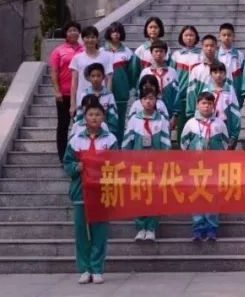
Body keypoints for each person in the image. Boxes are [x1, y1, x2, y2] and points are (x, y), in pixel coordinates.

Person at [64, 94, 118, 285]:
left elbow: (117, 164)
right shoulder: (76, 140)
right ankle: (84, 269)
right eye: (91, 114)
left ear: (103, 118)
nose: (94, 118)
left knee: (99, 231)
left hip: (102, 191)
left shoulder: (110, 140)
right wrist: (75, 168)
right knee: (81, 231)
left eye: (97, 115)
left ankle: (97, 268)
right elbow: (67, 163)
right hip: (80, 191)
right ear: (84, 118)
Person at [121, 85, 171, 242]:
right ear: (140, 101)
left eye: (151, 98)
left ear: (156, 100)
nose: (149, 101)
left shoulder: (161, 120)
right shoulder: (134, 120)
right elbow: (127, 141)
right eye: (145, 98)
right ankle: (140, 227)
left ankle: (151, 228)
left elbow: (165, 143)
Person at [180, 92, 230, 242]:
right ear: (197, 105)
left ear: (213, 106)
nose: (206, 106)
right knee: (197, 195)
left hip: (213, 167)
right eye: (203, 103)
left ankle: (211, 228)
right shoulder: (191, 124)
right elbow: (183, 143)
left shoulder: (219, 124)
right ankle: (197, 227)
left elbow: (225, 143)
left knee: (212, 196)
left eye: (209, 103)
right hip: (196, 167)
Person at [48, 20, 83, 161]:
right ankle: (63, 156)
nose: (73, 33)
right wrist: (57, 91)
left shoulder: (84, 49)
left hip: (81, 95)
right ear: (65, 34)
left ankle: (78, 154)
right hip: (64, 94)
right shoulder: (58, 51)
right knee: (63, 125)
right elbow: (54, 71)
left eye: (75, 30)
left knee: (80, 125)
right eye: (70, 30)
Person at [102, 21, 134, 140]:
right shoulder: (101, 51)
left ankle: (119, 146)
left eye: (118, 32)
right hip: (104, 92)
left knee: (120, 121)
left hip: (121, 93)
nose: (116, 34)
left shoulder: (128, 52)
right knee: (105, 120)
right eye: (113, 32)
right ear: (109, 33)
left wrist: (128, 88)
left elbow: (132, 74)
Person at [69, 27, 111, 116]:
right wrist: (72, 104)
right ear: (83, 39)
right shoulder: (77, 58)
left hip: (101, 99)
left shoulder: (106, 56)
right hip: (82, 99)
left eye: (93, 37)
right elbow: (74, 82)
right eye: (87, 37)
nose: (90, 40)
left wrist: (108, 97)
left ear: (97, 38)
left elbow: (109, 78)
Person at [170, 25, 203, 137]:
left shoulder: (201, 55)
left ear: (196, 37)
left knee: (197, 127)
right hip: (181, 96)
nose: (189, 38)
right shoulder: (176, 55)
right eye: (186, 35)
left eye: (191, 35)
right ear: (182, 37)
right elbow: (172, 75)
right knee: (182, 127)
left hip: (197, 97)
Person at [71, 63, 119, 136]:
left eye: (98, 76)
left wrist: (110, 132)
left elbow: (113, 116)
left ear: (103, 77)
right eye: (93, 76)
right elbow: (80, 114)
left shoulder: (109, 95)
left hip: (104, 131)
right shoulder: (84, 94)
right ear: (89, 78)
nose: (95, 79)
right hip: (86, 131)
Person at [133, 41, 177, 122]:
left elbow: (176, 94)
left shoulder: (172, 72)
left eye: (161, 51)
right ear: (151, 53)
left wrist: (175, 115)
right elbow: (140, 93)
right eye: (156, 51)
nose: (159, 54)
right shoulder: (146, 72)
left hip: (168, 111)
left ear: (166, 53)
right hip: (148, 111)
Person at [205, 62, 241, 149]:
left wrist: (234, 135)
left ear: (225, 74)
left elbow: (235, 113)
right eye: (215, 72)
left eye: (221, 72)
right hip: (210, 129)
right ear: (211, 74)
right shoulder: (206, 90)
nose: (218, 75)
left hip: (227, 127)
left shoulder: (230, 90)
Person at [186, 33, 222, 115]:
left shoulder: (223, 68)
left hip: (219, 112)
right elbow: (191, 92)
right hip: (201, 112)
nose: (209, 48)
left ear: (216, 47)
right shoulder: (196, 69)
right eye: (206, 46)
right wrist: (191, 112)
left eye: (212, 46)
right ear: (202, 47)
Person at [217, 23, 245, 100]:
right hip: (217, 91)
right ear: (219, 36)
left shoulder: (240, 55)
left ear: (233, 36)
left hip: (235, 92)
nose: (226, 37)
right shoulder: (215, 55)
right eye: (224, 35)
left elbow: (244, 75)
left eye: (229, 35)